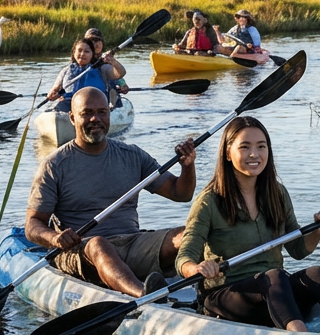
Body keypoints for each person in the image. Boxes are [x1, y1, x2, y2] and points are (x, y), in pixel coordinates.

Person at [177, 116, 320, 335]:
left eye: (261, 146)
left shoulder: (277, 193)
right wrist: (197, 268)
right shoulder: (209, 201)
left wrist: (319, 229)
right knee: (274, 276)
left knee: (316, 273)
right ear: (228, 153)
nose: (254, 154)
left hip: (275, 294)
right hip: (227, 297)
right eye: (244, 147)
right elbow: (183, 258)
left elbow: (298, 250)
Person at [25, 86, 197, 297]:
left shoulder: (132, 155)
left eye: (101, 112)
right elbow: (32, 225)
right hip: (80, 251)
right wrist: (54, 238)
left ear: (109, 115)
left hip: (132, 244)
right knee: (99, 244)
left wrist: (187, 166)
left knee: (189, 233)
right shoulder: (54, 165)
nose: (95, 119)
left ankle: (212, 287)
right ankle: (145, 295)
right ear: (72, 118)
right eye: (87, 113)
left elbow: (180, 194)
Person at [47, 39, 110, 113]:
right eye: (79, 50)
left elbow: (120, 73)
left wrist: (113, 61)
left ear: (92, 54)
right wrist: (53, 94)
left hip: (93, 105)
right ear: (74, 52)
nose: (82, 54)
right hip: (68, 103)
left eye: (87, 51)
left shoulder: (102, 68)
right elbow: (55, 88)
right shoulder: (66, 70)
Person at [83, 28, 129, 102]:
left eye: (97, 40)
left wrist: (123, 86)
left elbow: (120, 80)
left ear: (102, 43)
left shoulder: (108, 61)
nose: (95, 44)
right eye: (91, 41)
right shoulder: (80, 62)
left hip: (106, 100)